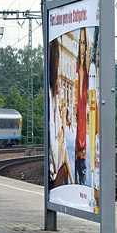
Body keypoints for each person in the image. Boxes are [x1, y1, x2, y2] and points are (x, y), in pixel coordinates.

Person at [48, 39, 73, 189]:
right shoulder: (54, 101)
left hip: (56, 173)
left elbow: (62, 148)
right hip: (55, 174)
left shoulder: (56, 101)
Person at [75, 28, 89, 186]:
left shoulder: (88, 73)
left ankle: (82, 185)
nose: (82, 48)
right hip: (77, 125)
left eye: (84, 44)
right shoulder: (76, 71)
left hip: (84, 127)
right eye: (80, 43)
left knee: (83, 167)